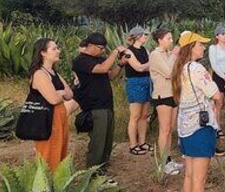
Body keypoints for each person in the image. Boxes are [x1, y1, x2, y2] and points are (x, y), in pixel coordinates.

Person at [172, 31, 223, 192]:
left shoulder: (179, 68)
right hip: (200, 127)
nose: (203, 47)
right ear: (191, 48)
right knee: (199, 180)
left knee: (189, 176)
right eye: (200, 44)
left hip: (185, 126)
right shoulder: (197, 69)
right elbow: (215, 93)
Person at [72, 32, 127, 174]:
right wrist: (115, 52)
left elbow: (110, 76)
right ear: (90, 45)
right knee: (98, 141)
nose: (102, 51)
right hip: (94, 106)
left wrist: (120, 64)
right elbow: (102, 69)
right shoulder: (81, 61)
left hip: (107, 104)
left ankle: (103, 168)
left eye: (104, 48)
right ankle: (93, 172)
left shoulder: (99, 60)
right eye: (100, 47)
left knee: (107, 141)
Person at [28, 38, 74, 171]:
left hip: (59, 115)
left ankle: (57, 185)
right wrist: (60, 93)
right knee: (49, 154)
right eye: (54, 49)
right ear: (43, 53)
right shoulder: (39, 74)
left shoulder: (54, 73)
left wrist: (58, 93)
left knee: (60, 150)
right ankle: (46, 186)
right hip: (46, 118)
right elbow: (53, 99)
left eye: (57, 48)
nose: (58, 51)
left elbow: (70, 94)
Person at [150, 29, 183, 176]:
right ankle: (163, 163)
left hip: (172, 94)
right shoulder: (155, 55)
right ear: (160, 40)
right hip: (162, 95)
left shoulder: (169, 54)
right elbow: (169, 73)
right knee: (164, 129)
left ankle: (169, 159)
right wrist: (175, 55)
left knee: (170, 129)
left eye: (171, 38)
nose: (171, 41)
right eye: (168, 38)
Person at [124, 26, 152, 156]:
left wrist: (146, 66)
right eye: (144, 34)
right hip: (135, 82)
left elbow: (145, 66)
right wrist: (149, 65)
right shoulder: (128, 51)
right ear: (137, 36)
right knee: (135, 115)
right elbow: (138, 68)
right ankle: (133, 144)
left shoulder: (145, 50)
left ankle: (142, 142)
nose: (146, 36)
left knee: (144, 115)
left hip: (147, 81)